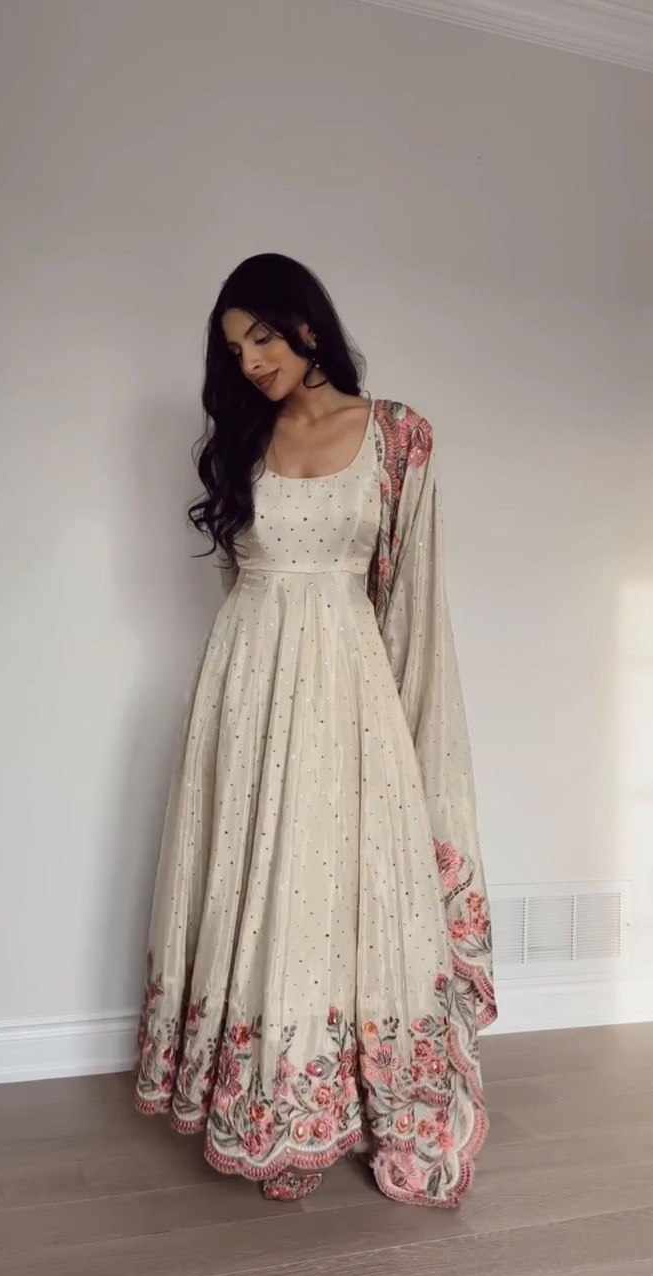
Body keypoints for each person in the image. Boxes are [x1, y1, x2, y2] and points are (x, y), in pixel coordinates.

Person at [131, 252, 498, 1206]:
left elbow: (411, 597)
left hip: (347, 690)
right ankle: (272, 1104)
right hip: (245, 688)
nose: (250, 362)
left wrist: (406, 735)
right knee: (263, 879)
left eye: (261, 336)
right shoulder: (246, 441)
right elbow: (242, 582)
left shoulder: (397, 435)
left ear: (306, 324)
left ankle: (356, 1101)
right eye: (233, 349)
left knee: (336, 882)